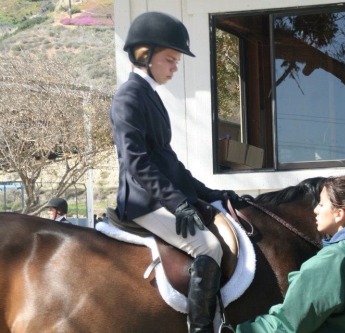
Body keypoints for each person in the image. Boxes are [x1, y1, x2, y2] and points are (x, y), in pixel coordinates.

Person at [110, 11, 238, 333]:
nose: (174, 67)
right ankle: (201, 328)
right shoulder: (128, 97)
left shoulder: (150, 95)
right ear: (144, 55)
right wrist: (176, 203)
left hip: (161, 196)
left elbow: (170, 163)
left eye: (176, 61)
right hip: (143, 202)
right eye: (170, 59)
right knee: (207, 246)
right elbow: (136, 162)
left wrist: (211, 194)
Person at [236, 176, 345, 332]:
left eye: (321, 204)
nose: (315, 210)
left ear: (339, 213)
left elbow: (290, 324)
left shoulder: (332, 262)